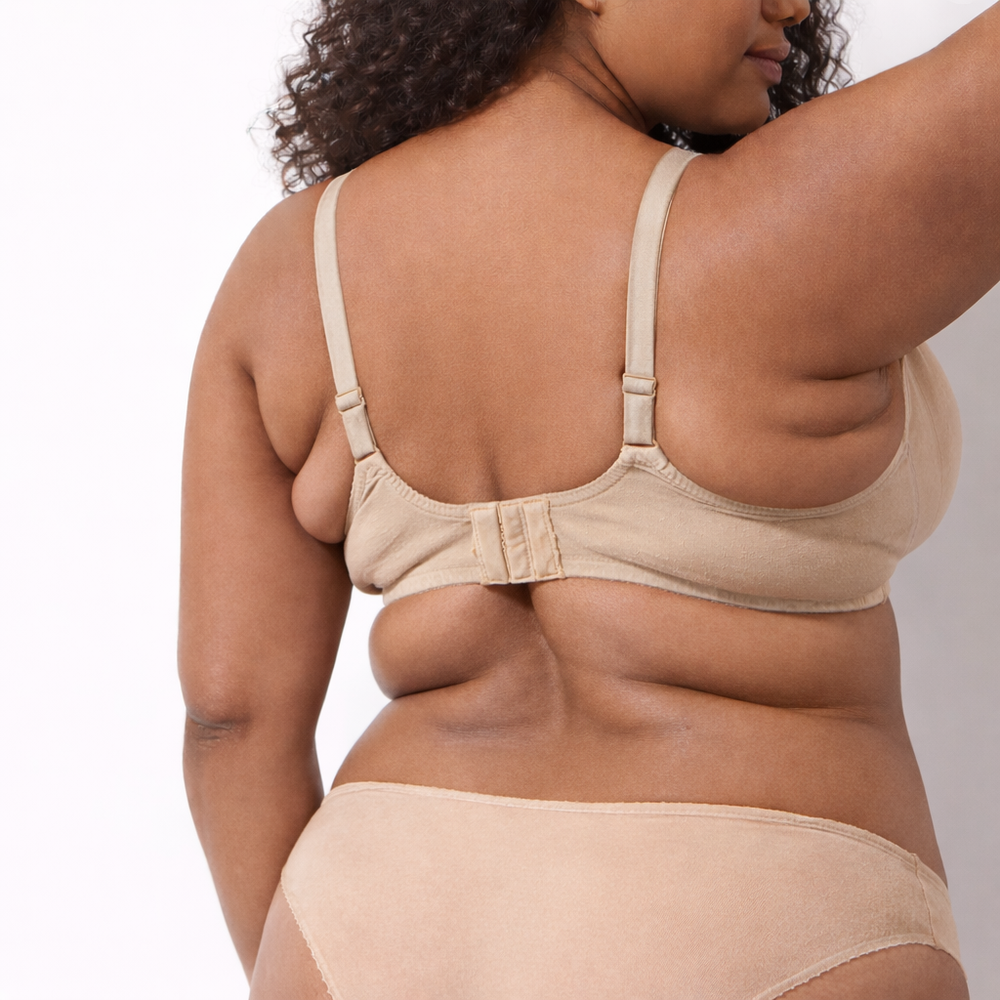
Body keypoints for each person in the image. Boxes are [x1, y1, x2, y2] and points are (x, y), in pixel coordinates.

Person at [179, 0, 998, 996]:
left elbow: (232, 722)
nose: (794, 5)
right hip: (766, 910)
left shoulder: (284, 276)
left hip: (370, 919)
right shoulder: (779, 225)